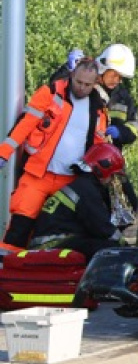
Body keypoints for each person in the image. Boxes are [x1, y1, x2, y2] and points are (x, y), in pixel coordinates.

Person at [0, 61, 110, 253]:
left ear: (95, 83)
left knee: (56, 232)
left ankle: (44, 274)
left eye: (87, 84)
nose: (82, 88)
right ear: (71, 75)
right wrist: (4, 152)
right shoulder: (51, 93)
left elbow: (98, 146)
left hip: (69, 182)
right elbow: (25, 125)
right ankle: (6, 270)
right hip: (38, 174)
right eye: (78, 82)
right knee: (20, 225)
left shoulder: (98, 109)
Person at [28, 143, 127, 260]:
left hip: (49, 243)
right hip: (53, 244)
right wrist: (124, 244)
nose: (111, 180)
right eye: (112, 175)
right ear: (103, 169)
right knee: (108, 249)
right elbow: (101, 227)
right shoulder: (87, 190)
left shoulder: (82, 185)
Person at [94, 44, 138, 237]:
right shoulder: (88, 88)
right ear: (104, 68)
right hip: (88, 166)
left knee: (130, 208)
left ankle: (128, 251)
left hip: (112, 165)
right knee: (96, 211)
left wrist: (121, 132)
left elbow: (135, 127)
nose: (117, 80)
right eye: (114, 74)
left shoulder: (123, 97)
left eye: (120, 76)